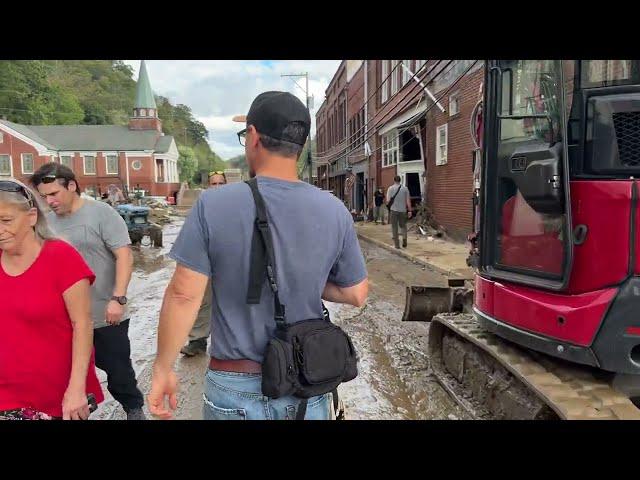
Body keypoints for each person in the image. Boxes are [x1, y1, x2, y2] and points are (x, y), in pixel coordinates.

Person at [148, 91, 368, 420]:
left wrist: (163, 369)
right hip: (307, 385)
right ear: (301, 146)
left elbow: (183, 295)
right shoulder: (335, 210)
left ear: (253, 137)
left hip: (235, 386)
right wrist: (300, 277)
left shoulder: (213, 204)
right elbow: (356, 293)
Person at [31, 164, 146, 420]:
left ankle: (133, 408)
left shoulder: (101, 213)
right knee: (66, 373)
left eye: (53, 194)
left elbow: (124, 256)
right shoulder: (46, 223)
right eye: (44, 196)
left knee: (116, 369)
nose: (49, 201)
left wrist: (118, 298)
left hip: (104, 312)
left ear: (71, 186)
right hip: (64, 319)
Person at [0, 178, 104, 420]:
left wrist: (76, 389)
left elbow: (83, 325)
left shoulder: (62, 258)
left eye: (6, 220)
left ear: (32, 216)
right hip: (6, 393)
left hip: (56, 394)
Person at [180, 171, 227, 357]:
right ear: (208, 186)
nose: (216, 187)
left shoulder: (236, 206)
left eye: (220, 183)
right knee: (202, 301)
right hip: (205, 262)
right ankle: (197, 341)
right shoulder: (201, 207)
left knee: (230, 303)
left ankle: (229, 343)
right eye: (213, 184)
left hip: (229, 263)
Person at [386, 175, 412, 249]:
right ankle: (404, 239)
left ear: (394, 180)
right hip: (403, 211)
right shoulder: (405, 189)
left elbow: (388, 201)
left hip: (393, 210)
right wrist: (410, 210)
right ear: (400, 180)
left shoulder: (390, 189)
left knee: (394, 227)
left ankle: (397, 245)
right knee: (403, 226)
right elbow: (408, 201)